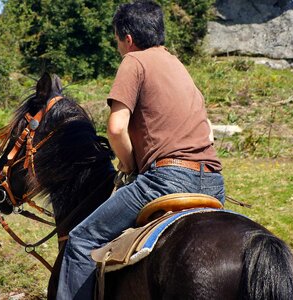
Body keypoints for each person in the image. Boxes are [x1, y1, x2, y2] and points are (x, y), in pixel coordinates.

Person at [56, 1, 225, 299]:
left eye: (117, 40)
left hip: (167, 180)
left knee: (82, 240)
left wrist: (131, 165)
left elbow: (116, 128)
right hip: (214, 182)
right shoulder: (178, 65)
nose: (118, 46)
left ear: (128, 38)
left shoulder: (134, 61)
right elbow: (207, 128)